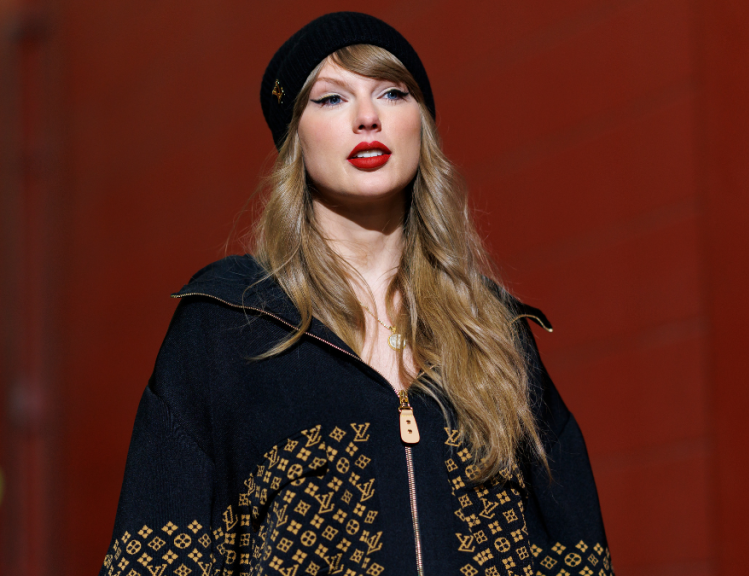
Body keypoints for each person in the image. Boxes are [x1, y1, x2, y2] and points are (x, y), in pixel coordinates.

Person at [100, 11, 612, 576]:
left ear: (421, 124)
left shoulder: (492, 330)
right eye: (331, 99)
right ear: (294, 138)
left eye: (392, 93)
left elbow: (575, 551)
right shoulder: (227, 324)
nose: (368, 117)